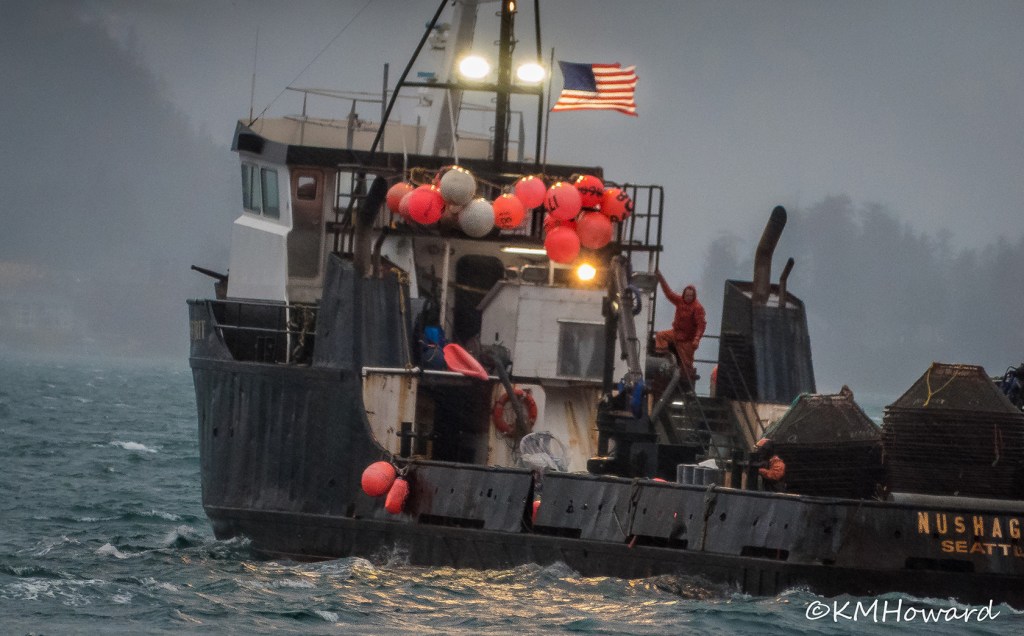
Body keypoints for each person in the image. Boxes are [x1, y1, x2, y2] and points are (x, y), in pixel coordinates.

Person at [654, 271, 706, 385]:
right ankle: (663, 360)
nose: (688, 297)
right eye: (687, 295)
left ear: (694, 296)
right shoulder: (679, 301)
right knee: (660, 336)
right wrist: (661, 279)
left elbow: (701, 325)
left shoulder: (698, 308)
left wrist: (696, 339)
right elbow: (668, 293)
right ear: (684, 295)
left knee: (686, 365)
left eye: (690, 296)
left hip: (687, 340)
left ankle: (686, 383)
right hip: (676, 333)